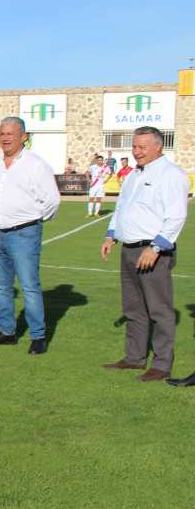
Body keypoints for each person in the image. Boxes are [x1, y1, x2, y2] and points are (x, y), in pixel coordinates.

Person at [97, 127, 189, 383]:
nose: (136, 152)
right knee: (133, 307)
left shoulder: (171, 175)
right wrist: (111, 234)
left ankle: (161, 365)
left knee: (159, 309)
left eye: (142, 147)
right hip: (128, 248)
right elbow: (122, 207)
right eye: (135, 146)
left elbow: (177, 215)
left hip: (152, 251)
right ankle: (134, 357)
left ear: (158, 146)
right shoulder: (134, 174)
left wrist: (156, 247)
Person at [0, 117, 60, 354]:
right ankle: (7, 332)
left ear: (23, 136)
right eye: (2, 133)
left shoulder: (35, 164)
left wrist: (32, 220)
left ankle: (38, 336)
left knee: (29, 286)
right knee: (1, 286)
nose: (5, 138)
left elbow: (53, 200)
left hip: (24, 234)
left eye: (10, 134)